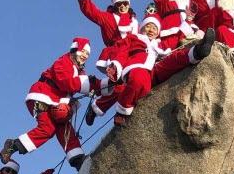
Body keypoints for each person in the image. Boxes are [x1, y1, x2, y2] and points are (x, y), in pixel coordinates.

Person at [0, 37, 108, 169]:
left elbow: (87, 83)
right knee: (49, 126)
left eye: (87, 54)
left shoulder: (80, 71)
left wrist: (109, 83)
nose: (85, 55)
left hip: (57, 103)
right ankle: (13, 145)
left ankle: (77, 158)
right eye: (83, 51)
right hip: (43, 96)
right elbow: (68, 83)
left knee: (62, 124)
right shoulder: (63, 62)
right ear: (74, 49)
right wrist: (89, 86)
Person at [89, 14, 217, 125]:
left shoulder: (159, 44)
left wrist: (188, 21)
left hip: (154, 71)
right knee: (140, 80)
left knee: (173, 59)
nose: (151, 30)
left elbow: (176, 37)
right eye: (148, 26)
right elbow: (121, 50)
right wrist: (116, 65)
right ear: (142, 28)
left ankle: (198, 51)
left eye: (155, 27)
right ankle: (122, 111)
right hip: (136, 68)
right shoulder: (134, 38)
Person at [74, 0, 139, 76]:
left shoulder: (133, 21)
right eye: (119, 4)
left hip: (134, 51)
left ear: (129, 4)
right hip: (116, 53)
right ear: (115, 6)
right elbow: (90, 11)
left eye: (125, 3)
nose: (122, 6)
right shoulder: (107, 18)